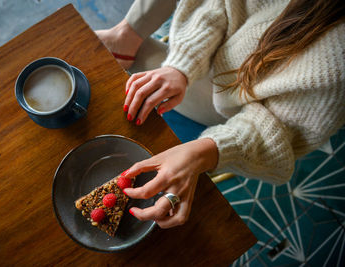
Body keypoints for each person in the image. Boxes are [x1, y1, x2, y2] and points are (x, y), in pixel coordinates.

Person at [97, 0, 345, 229]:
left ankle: (127, 43)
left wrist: (203, 152)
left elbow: (281, 129)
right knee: (116, 61)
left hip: (237, 104)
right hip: (210, 52)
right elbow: (218, 5)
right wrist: (181, 64)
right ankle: (124, 38)